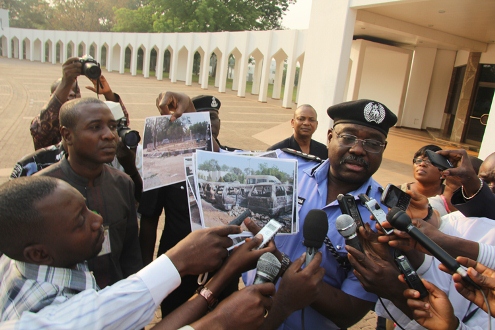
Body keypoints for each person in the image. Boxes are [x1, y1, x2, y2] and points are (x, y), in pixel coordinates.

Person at [0, 176, 270, 329]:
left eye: (86, 208)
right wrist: (220, 319)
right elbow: (107, 309)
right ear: (38, 253)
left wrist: (226, 271)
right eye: (79, 221)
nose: (97, 219)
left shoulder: (35, 260)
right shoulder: (49, 320)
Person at [245, 99, 398, 329]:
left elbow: (350, 311)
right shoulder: (288, 172)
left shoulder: (383, 219)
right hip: (246, 316)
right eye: (348, 138)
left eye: (373, 143)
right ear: (329, 137)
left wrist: (283, 264)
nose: (358, 150)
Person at [139, 92, 241, 318]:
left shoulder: (235, 161)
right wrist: (146, 274)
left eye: (212, 117)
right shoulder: (164, 160)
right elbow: (149, 218)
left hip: (223, 270)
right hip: (178, 269)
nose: (208, 122)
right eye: (200, 117)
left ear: (219, 123)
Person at [35, 98, 142, 289]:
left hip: (114, 300)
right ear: (67, 135)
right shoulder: (41, 189)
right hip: (63, 306)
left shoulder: (123, 184)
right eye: (95, 127)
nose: (110, 135)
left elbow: (131, 253)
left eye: (112, 126)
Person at [30, 56, 129, 150]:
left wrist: (108, 94)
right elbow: (39, 131)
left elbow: (121, 125)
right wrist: (66, 82)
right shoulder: (50, 127)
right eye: (67, 91)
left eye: (76, 91)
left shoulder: (88, 119)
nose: (72, 94)